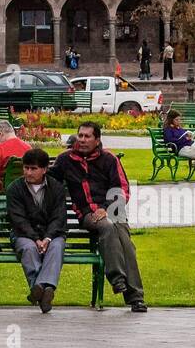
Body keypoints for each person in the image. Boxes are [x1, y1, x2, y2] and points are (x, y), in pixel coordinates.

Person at [49, 122, 147, 311]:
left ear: (97, 139)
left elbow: (122, 189)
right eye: (80, 136)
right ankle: (117, 278)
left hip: (113, 211)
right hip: (87, 214)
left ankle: (136, 298)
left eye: (87, 136)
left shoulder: (109, 159)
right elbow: (49, 180)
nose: (83, 140)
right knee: (107, 226)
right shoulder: (65, 160)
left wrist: (106, 208)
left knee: (126, 243)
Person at [7, 147, 68, 312]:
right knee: (28, 248)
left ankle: (39, 288)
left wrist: (47, 238)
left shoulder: (56, 188)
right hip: (24, 234)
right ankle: (45, 289)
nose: (28, 172)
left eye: (33, 169)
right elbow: (18, 219)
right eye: (26, 168)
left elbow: (59, 217)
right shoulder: (15, 188)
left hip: (52, 234)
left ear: (44, 169)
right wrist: (35, 238)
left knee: (56, 247)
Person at [162, 109, 195, 185]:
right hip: (182, 149)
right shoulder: (168, 129)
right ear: (171, 119)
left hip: (192, 146)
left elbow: (186, 136)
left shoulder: (180, 128)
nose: (178, 121)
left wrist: (190, 136)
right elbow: (169, 141)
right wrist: (185, 139)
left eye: (179, 119)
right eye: (176, 119)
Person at [0, 120, 31, 191]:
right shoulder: (28, 148)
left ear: (0, 133)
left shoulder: (0, 148)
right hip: (25, 187)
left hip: (4, 188)